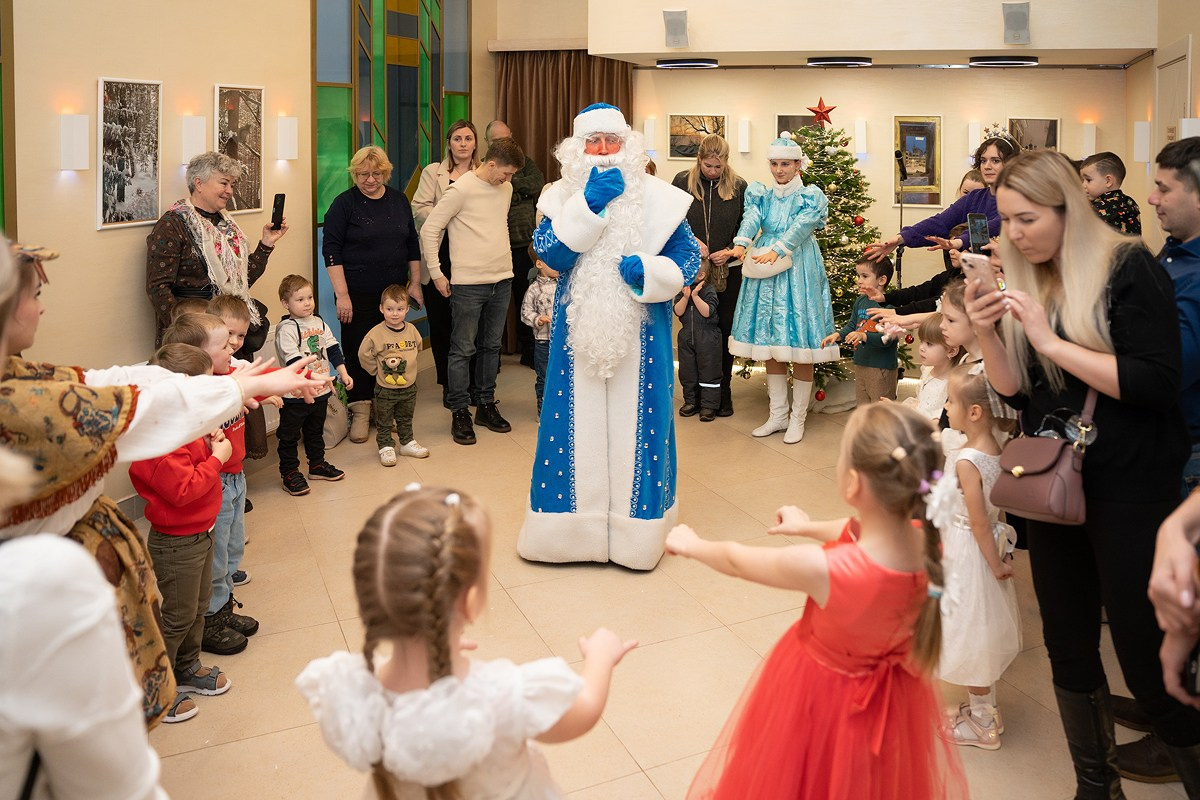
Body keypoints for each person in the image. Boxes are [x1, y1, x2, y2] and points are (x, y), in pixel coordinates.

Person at [2, 242, 326, 728]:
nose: (42, 305)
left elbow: (119, 381)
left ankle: (187, 664)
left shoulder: (20, 374)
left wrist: (242, 379)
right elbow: (133, 409)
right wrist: (243, 387)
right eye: (33, 294)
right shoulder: (15, 402)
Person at [965, 149, 1200, 797]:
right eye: (1007, 221)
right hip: (1052, 482)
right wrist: (988, 333)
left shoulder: (1128, 267)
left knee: (1144, 654)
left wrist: (1050, 341)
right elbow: (1018, 397)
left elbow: (1156, 382)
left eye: (1027, 219)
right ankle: (1095, 787)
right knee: (1067, 641)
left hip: (1131, 484)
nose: (1014, 234)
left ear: (1069, 208)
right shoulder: (1032, 275)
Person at [664, 403, 968, 799]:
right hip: (894, 700)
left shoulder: (828, 570)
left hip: (822, 697)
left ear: (853, 484)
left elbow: (739, 562)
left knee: (808, 777)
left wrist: (693, 545)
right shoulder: (928, 543)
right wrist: (805, 526)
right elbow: (855, 528)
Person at [295, 484, 637, 799]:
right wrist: (600, 658)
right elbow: (585, 711)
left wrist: (435, 647)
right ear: (471, 603)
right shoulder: (501, 695)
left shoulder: (352, 693)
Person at [517, 103, 700, 570]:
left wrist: (654, 272)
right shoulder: (558, 197)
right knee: (570, 424)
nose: (601, 152)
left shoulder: (661, 198)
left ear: (628, 145)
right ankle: (566, 532)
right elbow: (549, 256)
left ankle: (636, 535)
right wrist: (589, 206)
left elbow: (689, 258)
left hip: (643, 333)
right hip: (576, 331)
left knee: (642, 424)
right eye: (592, 142)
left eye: (611, 141)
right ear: (577, 149)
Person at [129, 344, 234, 724]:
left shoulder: (185, 426)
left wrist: (208, 444)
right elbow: (184, 488)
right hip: (177, 543)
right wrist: (216, 458)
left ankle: (187, 666)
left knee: (197, 607)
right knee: (176, 616)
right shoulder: (158, 441)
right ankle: (160, 687)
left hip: (200, 533)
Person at [161, 312, 277, 653]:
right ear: (196, 355)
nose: (233, 348)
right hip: (217, 482)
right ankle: (210, 621)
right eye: (225, 344)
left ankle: (223, 609)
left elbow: (250, 381)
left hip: (236, 476)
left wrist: (266, 391)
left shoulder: (226, 377)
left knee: (231, 552)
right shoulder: (198, 396)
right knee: (216, 558)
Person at [728, 132, 839, 443]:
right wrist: (741, 243)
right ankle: (777, 414)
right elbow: (752, 218)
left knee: (800, 345)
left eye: (786, 164)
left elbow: (802, 227)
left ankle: (797, 419)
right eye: (775, 164)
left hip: (798, 264)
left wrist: (780, 247)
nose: (779, 170)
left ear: (798, 165)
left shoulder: (810, 196)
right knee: (771, 341)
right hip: (766, 265)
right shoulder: (761, 193)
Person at [933, 366, 1021, 751]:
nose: (946, 406)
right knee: (978, 631)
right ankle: (981, 708)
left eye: (951, 401)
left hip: (968, 553)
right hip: (978, 550)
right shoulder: (995, 449)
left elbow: (979, 521)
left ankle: (983, 723)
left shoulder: (966, 460)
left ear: (974, 413)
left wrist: (994, 563)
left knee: (969, 634)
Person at [419, 137, 524, 446]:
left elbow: (499, 225)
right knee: (462, 349)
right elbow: (429, 230)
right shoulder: (460, 189)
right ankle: (460, 410)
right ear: (491, 164)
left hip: (501, 279)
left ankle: (486, 404)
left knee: (491, 346)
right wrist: (437, 274)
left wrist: (505, 264)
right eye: (505, 173)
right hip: (467, 283)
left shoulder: (505, 189)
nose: (508, 179)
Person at [323, 146, 422, 444]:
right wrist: (342, 295)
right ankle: (361, 411)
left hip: (392, 295)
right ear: (354, 174)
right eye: (363, 174)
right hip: (356, 294)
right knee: (357, 350)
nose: (370, 180)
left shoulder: (399, 201)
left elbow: (412, 245)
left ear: (385, 173)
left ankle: (385, 411)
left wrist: (414, 282)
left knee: (391, 351)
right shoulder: (344, 204)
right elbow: (332, 250)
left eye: (376, 173)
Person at [146, 151, 288, 346]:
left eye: (232, 185)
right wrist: (188, 331)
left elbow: (242, 281)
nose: (229, 190)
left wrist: (266, 245)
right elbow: (158, 288)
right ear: (198, 184)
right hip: (195, 338)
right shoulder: (172, 225)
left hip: (232, 336)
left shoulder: (227, 226)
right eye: (223, 183)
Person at [672, 134, 747, 416]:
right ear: (699, 160)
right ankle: (695, 395)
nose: (713, 171)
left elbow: (745, 226)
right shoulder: (682, 182)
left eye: (718, 166)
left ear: (726, 162)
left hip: (727, 271)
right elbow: (671, 220)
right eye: (708, 166)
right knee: (693, 333)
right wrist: (693, 242)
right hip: (693, 269)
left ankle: (721, 393)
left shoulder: (739, 186)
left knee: (722, 332)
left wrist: (729, 250)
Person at [866, 136, 1019, 264]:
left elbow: (993, 225)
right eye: (983, 160)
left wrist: (959, 241)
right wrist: (900, 238)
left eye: (995, 161)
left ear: (1010, 164)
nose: (987, 166)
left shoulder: (1017, 199)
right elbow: (940, 222)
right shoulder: (975, 197)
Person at [413, 120, 480, 406]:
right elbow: (419, 207)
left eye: (468, 138)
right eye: (457, 139)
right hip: (439, 257)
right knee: (442, 327)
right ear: (449, 143)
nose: (463, 144)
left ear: (475, 143)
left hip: (473, 259)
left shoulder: (482, 174)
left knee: (471, 327)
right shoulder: (433, 172)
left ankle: (475, 385)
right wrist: (449, 218)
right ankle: (449, 386)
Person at [274, 274, 351, 495]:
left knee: (315, 430)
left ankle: (316, 464)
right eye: (300, 299)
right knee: (289, 436)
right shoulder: (287, 328)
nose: (307, 303)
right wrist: (319, 379)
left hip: (320, 391)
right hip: (295, 395)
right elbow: (294, 362)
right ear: (285, 303)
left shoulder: (319, 322)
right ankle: (289, 472)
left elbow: (334, 349)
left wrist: (343, 374)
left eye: (309, 297)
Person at [485, 119, 546, 367]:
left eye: (507, 139)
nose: (504, 144)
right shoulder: (484, 166)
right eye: (498, 141)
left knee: (526, 297)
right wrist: (518, 187)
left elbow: (537, 184)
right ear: (489, 143)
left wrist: (512, 183)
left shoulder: (525, 162)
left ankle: (529, 351)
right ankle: (492, 356)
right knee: (493, 303)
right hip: (495, 245)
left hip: (524, 244)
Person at [357, 284, 427, 465]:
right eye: (389, 309)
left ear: (407, 310)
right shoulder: (376, 334)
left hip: (409, 387)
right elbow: (363, 354)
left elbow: (418, 348)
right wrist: (375, 370)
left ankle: (407, 442)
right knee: (385, 419)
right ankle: (386, 446)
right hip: (385, 389)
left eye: (400, 309)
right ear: (381, 308)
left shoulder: (412, 330)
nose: (394, 314)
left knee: (405, 417)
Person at [822, 256, 899, 404]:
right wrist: (838, 335)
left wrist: (864, 336)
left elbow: (888, 339)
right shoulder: (861, 301)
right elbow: (852, 325)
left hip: (881, 367)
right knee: (863, 407)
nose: (859, 280)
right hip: (861, 363)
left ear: (882, 280)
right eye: (858, 276)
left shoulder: (890, 306)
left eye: (865, 276)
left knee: (880, 409)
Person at [674, 266, 721, 421]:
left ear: (701, 275)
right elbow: (678, 311)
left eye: (691, 272)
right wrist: (686, 297)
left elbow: (707, 311)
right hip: (687, 335)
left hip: (707, 336)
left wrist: (695, 296)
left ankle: (709, 405)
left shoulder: (709, 290)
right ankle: (691, 401)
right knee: (688, 371)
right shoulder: (683, 290)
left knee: (709, 370)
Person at [519, 246, 558, 415]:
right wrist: (538, 319)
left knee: (561, 375)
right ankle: (543, 410)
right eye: (553, 263)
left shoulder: (563, 284)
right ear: (539, 264)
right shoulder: (534, 289)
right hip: (543, 341)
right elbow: (525, 312)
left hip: (562, 340)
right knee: (544, 376)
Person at [903, 313, 961, 422]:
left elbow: (940, 419)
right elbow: (920, 402)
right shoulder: (927, 370)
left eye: (929, 344)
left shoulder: (950, 384)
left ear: (951, 351)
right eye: (921, 341)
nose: (921, 348)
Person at [1081, 151, 1142, 235]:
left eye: (1088, 180)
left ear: (1108, 181)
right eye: (1083, 180)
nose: (1083, 185)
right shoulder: (1130, 203)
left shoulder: (1097, 210)